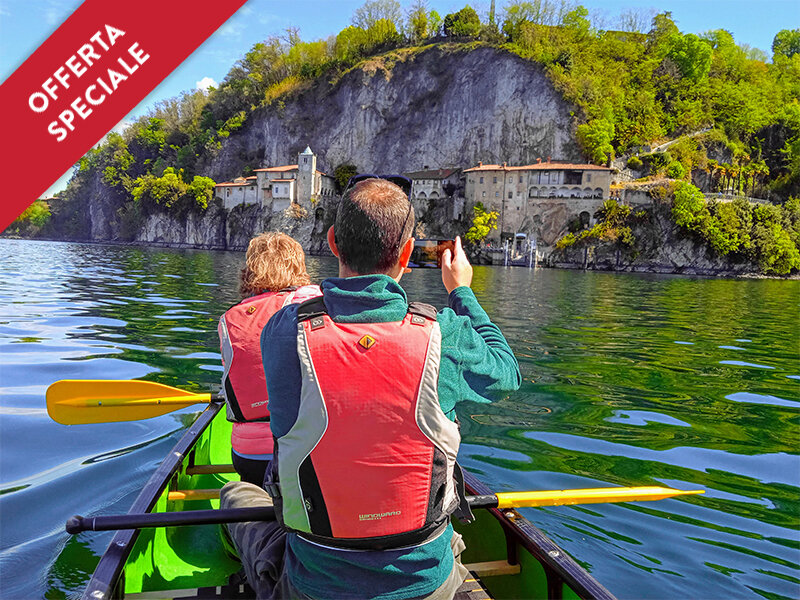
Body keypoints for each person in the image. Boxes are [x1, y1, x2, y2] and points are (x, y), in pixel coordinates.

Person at [220, 177, 521, 599]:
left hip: (314, 587)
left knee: (235, 495)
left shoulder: (282, 332)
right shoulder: (444, 335)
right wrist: (462, 292)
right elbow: (507, 372)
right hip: (425, 587)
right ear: (407, 253)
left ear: (332, 242)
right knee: (447, 534)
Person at [218, 232, 321, 486]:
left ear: (250, 270)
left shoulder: (228, 319)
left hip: (245, 455)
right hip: (298, 450)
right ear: (298, 266)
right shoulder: (309, 301)